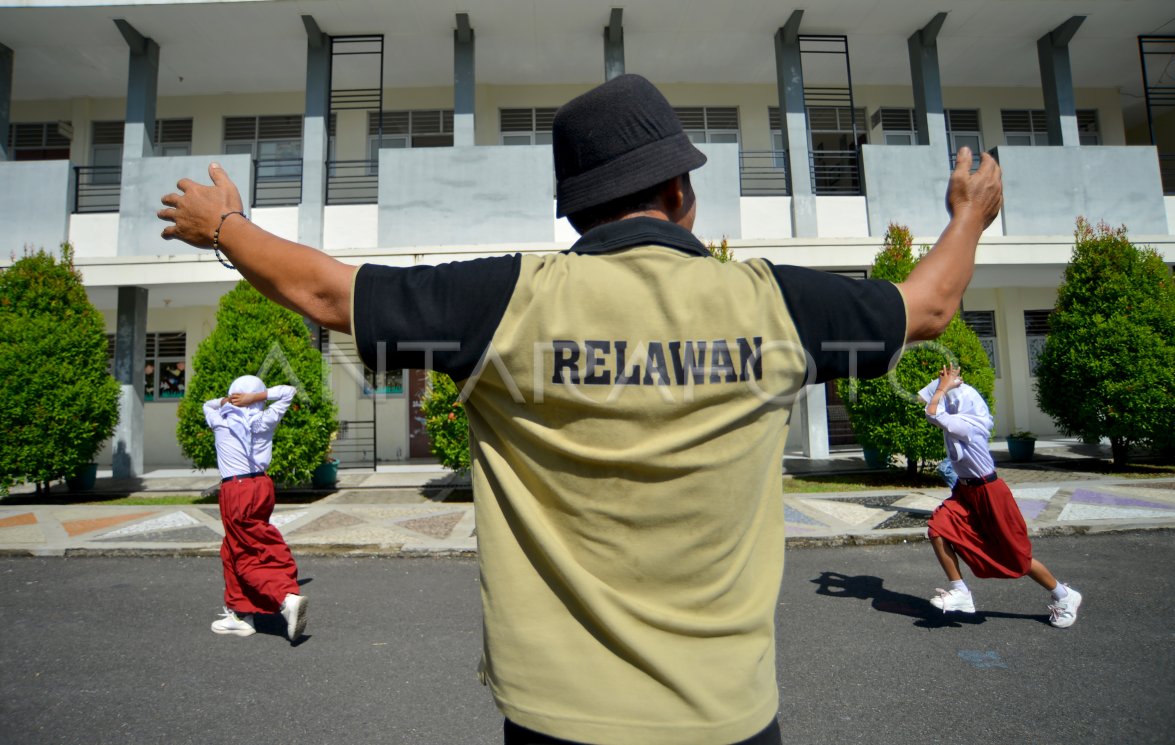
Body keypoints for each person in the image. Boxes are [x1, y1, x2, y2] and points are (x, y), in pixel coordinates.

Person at [160, 74, 1002, 744]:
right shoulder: (773, 305)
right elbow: (925, 306)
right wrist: (968, 216)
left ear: (574, 207)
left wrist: (225, 225)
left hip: (557, 723)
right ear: (679, 190)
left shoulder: (507, 300)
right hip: (728, 718)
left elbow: (328, 293)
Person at [919, 366, 1082, 628]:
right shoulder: (958, 417)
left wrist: (942, 388)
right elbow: (928, 402)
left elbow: (932, 413)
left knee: (1017, 557)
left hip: (990, 493)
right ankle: (960, 591)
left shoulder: (969, 425)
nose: (944, 399)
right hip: (966, 490)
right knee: (937, 529)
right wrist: (943, 383)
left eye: (950, 398)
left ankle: (1064, 595)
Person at [203, 375, 309, 641]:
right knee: (233, 549)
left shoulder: (220, 420)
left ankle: (285, 599)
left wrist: (225, 401)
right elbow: (288, 392)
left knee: (247, 551)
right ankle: (241, 614)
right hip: (261, 486)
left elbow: (208, 405)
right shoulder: (263, 421)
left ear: (232, 395)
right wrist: (257, 398)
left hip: (236, 489)